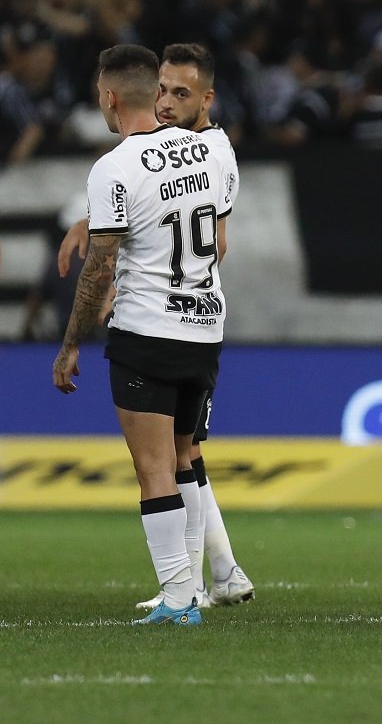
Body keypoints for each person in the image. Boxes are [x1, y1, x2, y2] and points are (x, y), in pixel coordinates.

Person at [58, 44, 254, 611]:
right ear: (151, 90)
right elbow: (202, 233)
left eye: (181, 93)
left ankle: (179, 593)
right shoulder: (210, 152)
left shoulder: (115, 166)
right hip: (205, 327)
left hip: (148, 328)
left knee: (156, 467)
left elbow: (113, 251)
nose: (169, 102)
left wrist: (72, 341)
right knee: (184, 454)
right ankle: (212, 577)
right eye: (164, 91)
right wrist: (96, 221)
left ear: (110, 97)